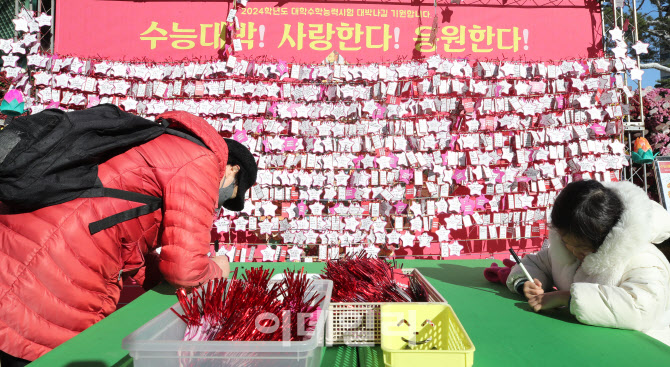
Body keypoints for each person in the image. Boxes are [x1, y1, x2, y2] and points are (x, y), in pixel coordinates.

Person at [0, 110, 257, 364]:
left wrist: (162, 277)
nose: (218, 205)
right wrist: (216, 272)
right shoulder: (199, 162)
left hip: (24, 245)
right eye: (230, 195)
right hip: (57, 270)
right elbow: (186, 270)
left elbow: (127, 242)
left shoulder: (161, 143)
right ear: (232, 169)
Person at [506, 179, 670, 345]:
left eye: (581, 247)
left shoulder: (643, 259)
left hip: (644, 347)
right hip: (584, 343)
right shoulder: (565, 250)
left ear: (604, 236)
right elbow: (536, 263)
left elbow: (641, 308)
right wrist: (526, 282)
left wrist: (569, 298)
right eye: (565, 242)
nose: (573, 251)